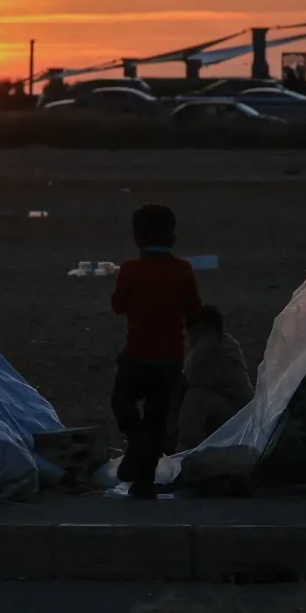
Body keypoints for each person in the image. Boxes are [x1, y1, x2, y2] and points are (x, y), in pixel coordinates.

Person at [110, 204, 203, 498]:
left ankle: (135, 442)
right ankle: (144, 482)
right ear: (172, 238)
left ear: (137, 238)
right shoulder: (183, 270)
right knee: (157, 418)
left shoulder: (130, 270)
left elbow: (117, 305)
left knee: (122, 402)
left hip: (137, 354)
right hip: (170, 359)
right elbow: (194, 312)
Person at [174, 305, 253, 452]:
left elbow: (195, 379)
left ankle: (184, 452)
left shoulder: (212, 344)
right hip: (229, 412)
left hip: (239, 417)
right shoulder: (217, 342)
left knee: (195, 398)